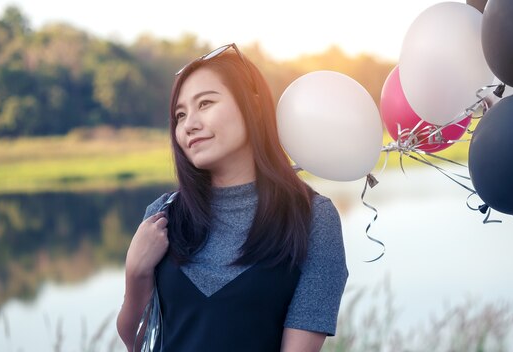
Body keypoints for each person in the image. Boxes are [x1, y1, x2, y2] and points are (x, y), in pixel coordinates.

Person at [116, 43, 348, 352]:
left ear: (252, 106)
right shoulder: (163, 215)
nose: (189, 124)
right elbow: (138, 342)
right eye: (180, 114)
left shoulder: (313, 219)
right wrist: (136, 272)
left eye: (206, 103)